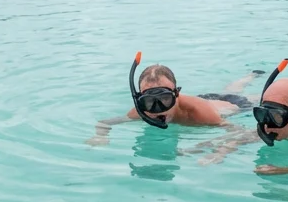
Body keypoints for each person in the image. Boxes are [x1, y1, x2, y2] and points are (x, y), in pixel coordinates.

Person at [86, 53, 264, 145]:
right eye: (149, 102)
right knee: (228, 89)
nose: (158, 109)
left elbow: (243, 132)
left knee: (248, 96)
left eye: (164, 100)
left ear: (176, 95)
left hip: (233, 105)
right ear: (140, 100)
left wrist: (218, 149)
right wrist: (100, 137)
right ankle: (246, 78)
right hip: (204, 99)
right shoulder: (142, 111)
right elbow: (105, 123)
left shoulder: (198, 114)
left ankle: (248, 78)